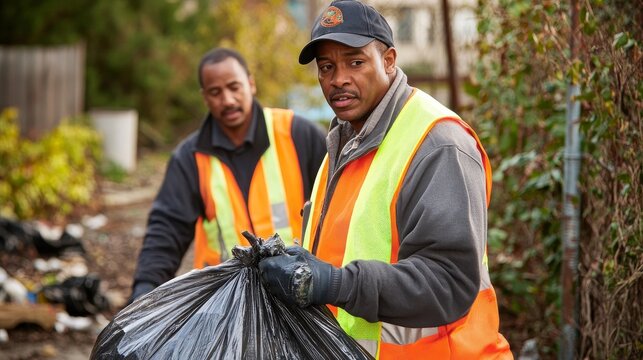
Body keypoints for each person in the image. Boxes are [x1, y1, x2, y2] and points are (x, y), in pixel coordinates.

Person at [258, 1, 513, 358]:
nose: (338, 79)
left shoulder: (438, 145)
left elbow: (448, 282)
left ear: (389, 60)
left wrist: (332, 283)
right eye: (326, 67)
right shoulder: (344, 142)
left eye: (355, 62)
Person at [129, 48, 327, 302]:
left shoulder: (297, 134)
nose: (228, 100)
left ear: (251, 84)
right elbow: (166, 230)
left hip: (298, 295)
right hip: (228, 306)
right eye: (216, 92)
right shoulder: (191, 158)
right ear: (205, 98)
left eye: (235, 87)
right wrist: (143, 293)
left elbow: (338, 208)